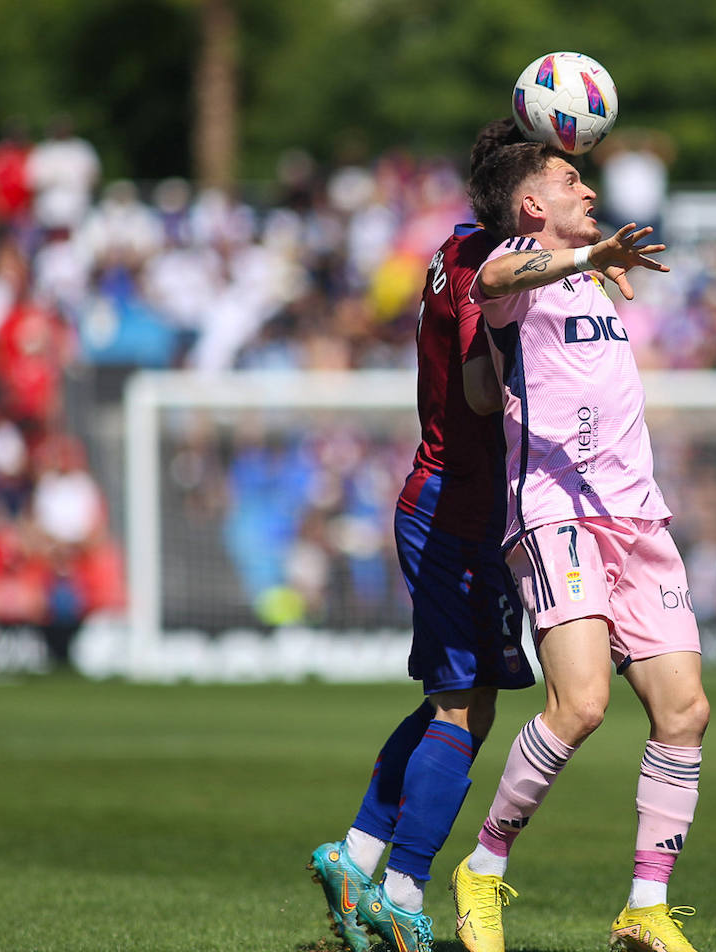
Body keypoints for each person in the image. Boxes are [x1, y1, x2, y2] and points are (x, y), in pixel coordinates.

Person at [448, 142, 711, 952]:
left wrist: (592, 263)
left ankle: (643, 907)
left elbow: (493, 388)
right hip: (557, 513)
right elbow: (491, 283)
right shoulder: (517, 258)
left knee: (685, 712)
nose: (589, 189)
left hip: (636, 513)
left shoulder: (593, 272)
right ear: (531, 207)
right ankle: (481, 871)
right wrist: (587, 254)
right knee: (582, 705)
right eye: (570, 181)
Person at [306, 119, 537, 952]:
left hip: (449, 499)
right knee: (461, 707)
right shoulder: (486, 269)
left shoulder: (455, 247)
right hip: (458, 507)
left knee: (462, 701)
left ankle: (358, 856)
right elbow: (479, 391)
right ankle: (401, 893)